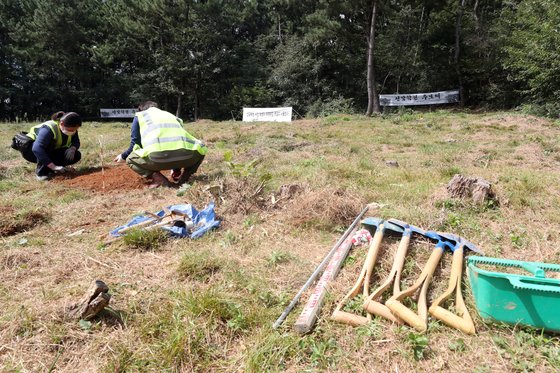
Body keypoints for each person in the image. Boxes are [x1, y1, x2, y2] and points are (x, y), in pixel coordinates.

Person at [114, 101, 207, 188]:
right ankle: (184, 178)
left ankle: (159, 180)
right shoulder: (172, 116)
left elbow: (134, 145)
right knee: (202, 148)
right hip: (187, 157)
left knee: (130, 159)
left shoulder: (140, 116)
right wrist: (176, 169)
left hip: (158, 158)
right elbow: (177, 142)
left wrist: (123, 156)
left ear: (141, 109)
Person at [13, 111, 82, 181]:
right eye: (70, 130)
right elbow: (37, 148)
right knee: (49, 144)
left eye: (75, 130)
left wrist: (73, 148)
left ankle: (53, 169)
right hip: (31, 151)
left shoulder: (72, 129)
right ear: (62, 123)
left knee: (77, 155)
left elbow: (76, 142)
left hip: (49, 151)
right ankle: (41, 174)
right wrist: (53, 166)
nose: (73, 132)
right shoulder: (48, 129)